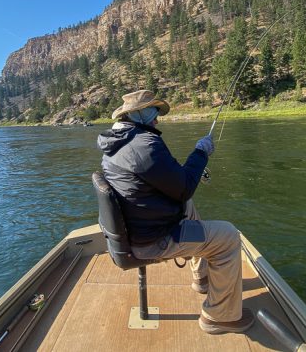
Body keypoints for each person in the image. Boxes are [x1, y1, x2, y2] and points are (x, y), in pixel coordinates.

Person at [96, 89, 254, 334]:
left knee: (188, 207)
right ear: (136, 115)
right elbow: (184, 189)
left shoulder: (116, 144)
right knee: (228, 236)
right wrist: (201, 152)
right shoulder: (144, 144)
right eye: (152, 112)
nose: (157, 119)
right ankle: (219, 317)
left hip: (137, 230)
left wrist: (185, 174)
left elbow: (169, 185)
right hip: (153, 240)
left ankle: (201, 278)